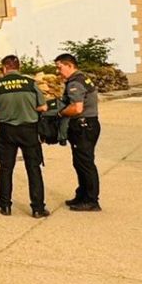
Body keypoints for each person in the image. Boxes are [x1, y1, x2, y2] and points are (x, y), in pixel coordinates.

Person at [0, 55, 48, 218]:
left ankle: (6, 206)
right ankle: (37, 208)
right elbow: (43, 107)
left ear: (4, 68)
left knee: (6, 168)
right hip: (29, 130)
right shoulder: (30, 83)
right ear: (18, 67)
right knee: (33, 169)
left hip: (7, 130)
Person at [55, 53, 102, 211]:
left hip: (83, 126)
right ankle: (82, 195)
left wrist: (60, 113)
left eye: (60, 67)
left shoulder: (75, 82)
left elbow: (77, 108)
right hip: (88, 124)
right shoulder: (83, 78)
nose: (58, 71)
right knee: (80, 162)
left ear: (69, 65)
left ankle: (91, 200)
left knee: (85, 163)